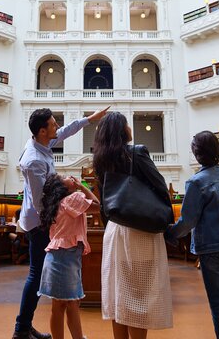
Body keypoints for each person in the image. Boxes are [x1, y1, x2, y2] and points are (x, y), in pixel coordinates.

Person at [13, 106, 110, 339]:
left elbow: (66, 131)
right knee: (36, 274)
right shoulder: (33, 160)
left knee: (39, 275)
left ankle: (25, 326)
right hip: (40, 223)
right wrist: (63, 214)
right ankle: (21, 329)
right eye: (53, 124)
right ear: (42, 130)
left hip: (48, 218)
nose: (58, 126)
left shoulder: (42, 142)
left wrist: (90, 119)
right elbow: (40, 202)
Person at [93, 111, 173, 339]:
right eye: (127, 124)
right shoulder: (137, 153)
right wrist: (165, 221)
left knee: (120, 293)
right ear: (122, 130)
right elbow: (160, 187)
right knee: (140, 296)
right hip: (141, 230)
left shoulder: (101, 159)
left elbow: (105, 201)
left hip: (115, 230)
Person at [166, 131, 219, 339]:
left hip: (211, 248)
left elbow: (188, 220)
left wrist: (170, 233)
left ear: (196, 153)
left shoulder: (196, 182)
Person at [38, 173, 100, 339]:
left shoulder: (58, 203)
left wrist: (79, 187)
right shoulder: (72, 199)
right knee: (63, 304)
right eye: (64, 176)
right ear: (61, 186)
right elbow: (98, 206)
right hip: (64, 257)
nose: (70, 176)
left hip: (62, 257)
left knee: (69, 303)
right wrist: (81, 186)